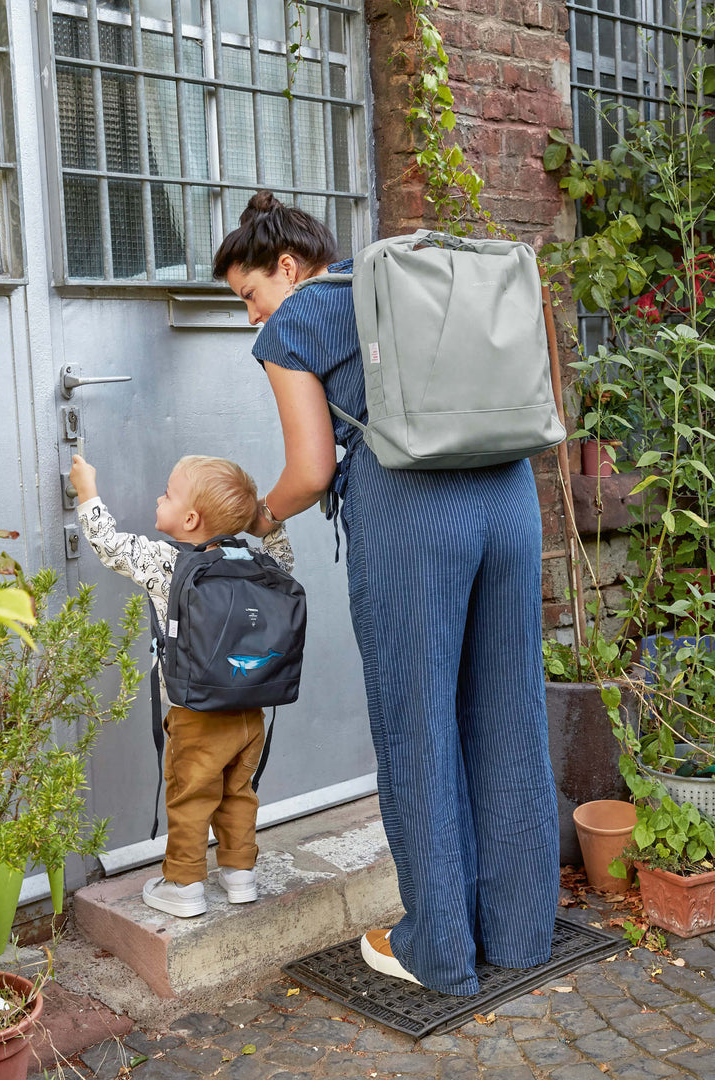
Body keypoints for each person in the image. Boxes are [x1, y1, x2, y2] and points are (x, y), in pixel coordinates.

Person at [213, 191, 560, 996]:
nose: (251, 316)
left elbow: (312, 470)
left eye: (249, 295)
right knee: (511, 710)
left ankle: (436, 949)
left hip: (412, 516)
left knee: (419, 726)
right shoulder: (415, 278)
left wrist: (260, 516)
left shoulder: (295, 325)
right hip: (509, 497)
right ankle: (520, 932)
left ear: (288, 269)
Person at [69, 451, 294, 918]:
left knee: (191, 797)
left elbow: (110, 546)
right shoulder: (259, 563)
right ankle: (239, 875)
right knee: (238, 792)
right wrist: (262, 518)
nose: (159, 496)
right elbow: (280, 548)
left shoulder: (167, 563)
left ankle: (184, 883)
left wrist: (86, 491)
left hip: (196, 716)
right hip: (251, 712)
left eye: (168, 493)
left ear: (189, 519)